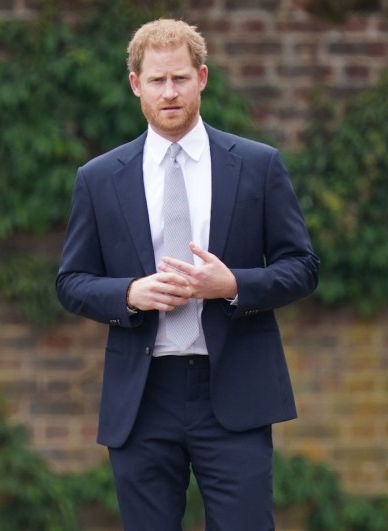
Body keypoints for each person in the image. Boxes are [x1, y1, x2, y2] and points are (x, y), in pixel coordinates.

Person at [56, 18, 319, 530]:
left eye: (180, 78)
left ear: (202, 77)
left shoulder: (258, 165)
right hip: (143, 392)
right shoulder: (99, 177)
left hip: (235, 390)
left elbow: (303, 267)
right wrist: (132, 292)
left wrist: (235, 285)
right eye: (157, 80)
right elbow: (71, 282)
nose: (169, 92)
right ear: (136, 85)